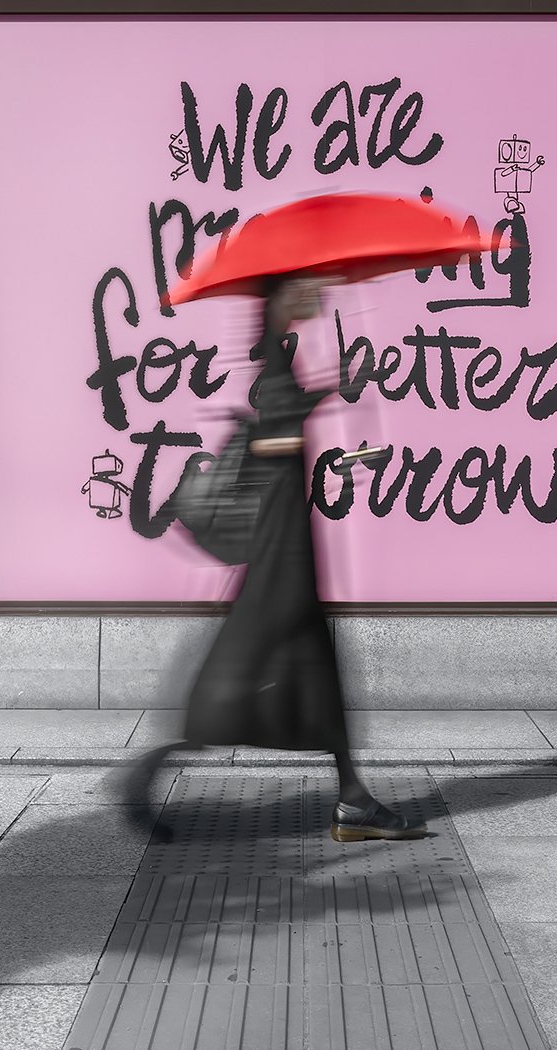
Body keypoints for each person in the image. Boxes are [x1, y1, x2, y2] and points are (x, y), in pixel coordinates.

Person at [126, 272, 426, 842]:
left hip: (290, 554)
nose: (319, 294)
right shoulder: (275, 362)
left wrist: (328, 394)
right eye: (307, 286)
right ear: (279, 296)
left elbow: (278, 451)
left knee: (315, 681)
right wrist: (322, 399)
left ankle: (355, 800)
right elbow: (273, 448)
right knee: (239, 678)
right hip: (280, 561)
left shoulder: (280, 362)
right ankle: (150, 770)